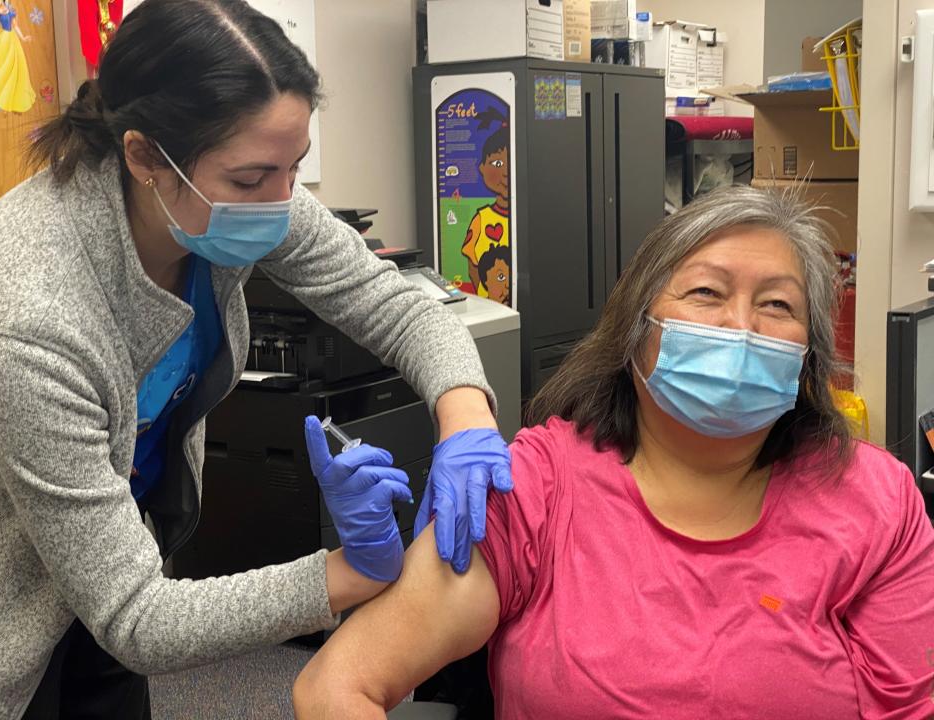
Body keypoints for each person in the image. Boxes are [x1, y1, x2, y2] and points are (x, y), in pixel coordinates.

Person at [0, 0, 512, 717]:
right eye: (254, 178)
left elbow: (396, 303)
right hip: (3, 608)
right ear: (142, 155)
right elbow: (139, 618)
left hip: (119, 554)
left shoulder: (233, 193)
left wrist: (464, 414)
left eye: (296, 168)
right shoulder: (31, 317)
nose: (282, 202)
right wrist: (345, 574)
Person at [292, 186, 934, 719]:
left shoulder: (874, 499)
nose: (742, 325)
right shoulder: (539, 486)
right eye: (707, 293)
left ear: (807, 357)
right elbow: (336, 688)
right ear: (636, 331)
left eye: (776, 304)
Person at [460, 109, 509, 300]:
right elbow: (472, 265)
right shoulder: (481, 219)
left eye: (510, 163)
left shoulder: (524, 218)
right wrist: (484, 294)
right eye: (497, 164)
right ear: (482, 167)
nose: (505, 173)